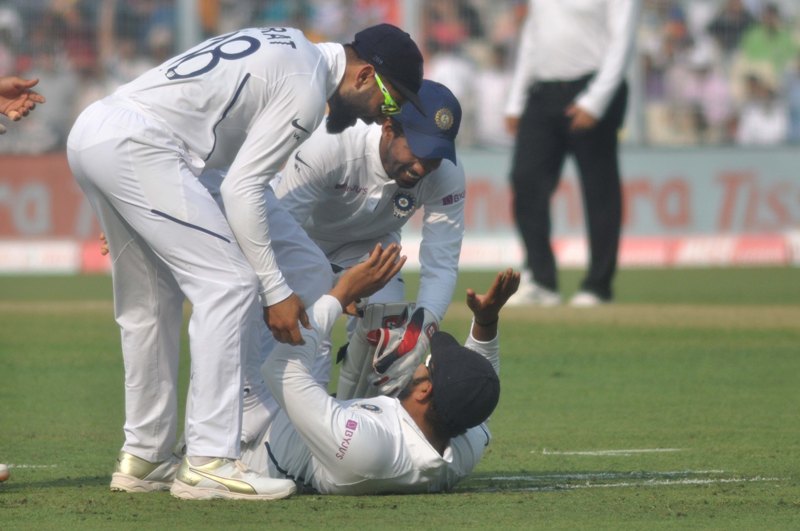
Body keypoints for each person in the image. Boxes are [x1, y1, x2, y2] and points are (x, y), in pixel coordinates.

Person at [67, 23, 424, 500]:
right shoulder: (305, 86)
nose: (383, 114)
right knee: (230, 286)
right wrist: (274, 292)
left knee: (291, 272)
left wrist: (285, 282)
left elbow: (234, 179)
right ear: (364, 77)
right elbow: (242, 190)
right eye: (391, 100)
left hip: (106, 134)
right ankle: (210, 459)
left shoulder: (294, 48)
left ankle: (147, 457)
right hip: (145, 147)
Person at [238, 262, 519, 495]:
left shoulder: (368, 448)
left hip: (256, 443)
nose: (421, 362)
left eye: (428, 364)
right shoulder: (462, 443)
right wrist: (486, 321)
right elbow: (479, 384)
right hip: (332, 423)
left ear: (425, 392)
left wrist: (340, 294)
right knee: (384, 323)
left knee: (239, 287)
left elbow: (279, 369)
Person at [271, 79, 465, 398]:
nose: (421, 167)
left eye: (435, 157)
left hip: (370, 251)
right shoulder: (332, 144)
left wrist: (423, 330)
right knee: (305, 349)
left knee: (394, 337)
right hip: (300, 243)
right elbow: (278, 228)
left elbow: (441, 265)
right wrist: (332, 290)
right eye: (417, 151)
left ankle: (356, 427)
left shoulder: (447, 176)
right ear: (389, 127)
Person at [504, 0, 639, 307]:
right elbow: (532, 38)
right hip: (543, 91)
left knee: (599, 189)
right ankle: (542, 280)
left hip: (593, 85)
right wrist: (515, 99)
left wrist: (597, 100)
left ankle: (598, 285)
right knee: (525, 179)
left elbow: (623, 41)